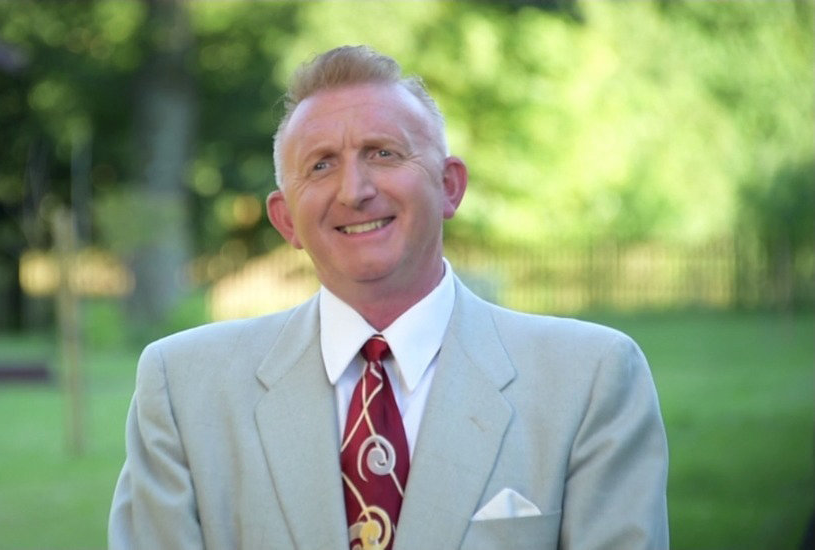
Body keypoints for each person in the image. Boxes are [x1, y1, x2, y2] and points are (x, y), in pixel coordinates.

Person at [108, 45, 669, 550]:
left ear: (449, 186)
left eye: (382, 153)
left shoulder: (589, 379)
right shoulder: (183, 388)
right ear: (286, 220)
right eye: (321, 165)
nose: (355, 191)